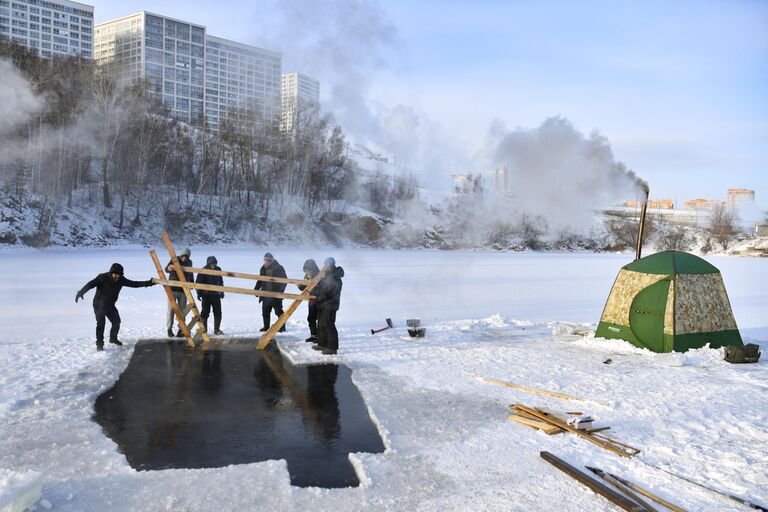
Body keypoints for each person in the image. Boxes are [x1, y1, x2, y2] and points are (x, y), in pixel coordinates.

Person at [76, 263, 155, 351]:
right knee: (101, 323)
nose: (117, 276)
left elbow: (134, 284)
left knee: (116, 321)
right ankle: (99, 344)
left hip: (110, 305)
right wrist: (81, 292)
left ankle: (113, 338)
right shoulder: (102, 277)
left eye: (119, 275)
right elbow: (90, 284)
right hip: (99, 304)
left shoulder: (121, 279)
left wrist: (149, 283)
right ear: (111, 273)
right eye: (115, 274)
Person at [312, 257, 344, 355]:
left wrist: (316, 292)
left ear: (330, 266)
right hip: (322, 303)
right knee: (321, 325)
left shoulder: (335, 277)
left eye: (326, 265)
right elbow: (321, 287)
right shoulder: (325, 275)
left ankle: (332, 348)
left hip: (330, 305)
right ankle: (322, 344)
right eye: (324, 265)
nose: (324, 267)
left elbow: (327, 291)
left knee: (329, 325)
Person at [254, 252, 287, 332]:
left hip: (276, 294)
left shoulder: (279, 268)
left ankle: (282, 327)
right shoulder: (263, 268)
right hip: (265, 294)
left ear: (272, 260)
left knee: (278, 311)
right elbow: (260, 279)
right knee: (265, 311)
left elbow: (284, 281)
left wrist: (280, 292)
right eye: (265, 260)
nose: (266, 261)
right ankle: (266, 326)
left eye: (268, 260)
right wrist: (256, 289)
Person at [165, 248, 193, 337]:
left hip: (183, 290)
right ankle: (169, 329)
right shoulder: (175, 259)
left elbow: (191, 273)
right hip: (172, 289)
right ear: (181, 255)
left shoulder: (189, 262)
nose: (184, 258)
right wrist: (169, 268)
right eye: (183, 256)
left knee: (182, 311)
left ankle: (181, 329)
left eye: (186, 257)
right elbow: (166, 269)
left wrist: (191, 283)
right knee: (171, 310)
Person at [195, 255, 224, 335]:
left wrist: (222, 292)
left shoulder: (218, 269)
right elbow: (198, 282)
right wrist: (199, 293)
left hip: (216, 295)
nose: (213, 265)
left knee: (218, 312)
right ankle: (204, 330)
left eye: (214, 263)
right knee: (205, 312)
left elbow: (220, 281)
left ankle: (217, 329)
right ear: (208, 263)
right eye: (211, 264)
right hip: (206, 295)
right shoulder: (203, 270)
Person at [298, 259, 320, 342]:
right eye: (306, 270)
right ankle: (313, 335)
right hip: (311, 300)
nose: (307, 272)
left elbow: (323, 287)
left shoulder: (319, 275)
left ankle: (319, 336)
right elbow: (303, 287)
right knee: (311, 318)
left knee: (320, 319)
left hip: (319, 299)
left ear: (313, 269)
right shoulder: (307, 276)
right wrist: (300, 286)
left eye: (308, 270)